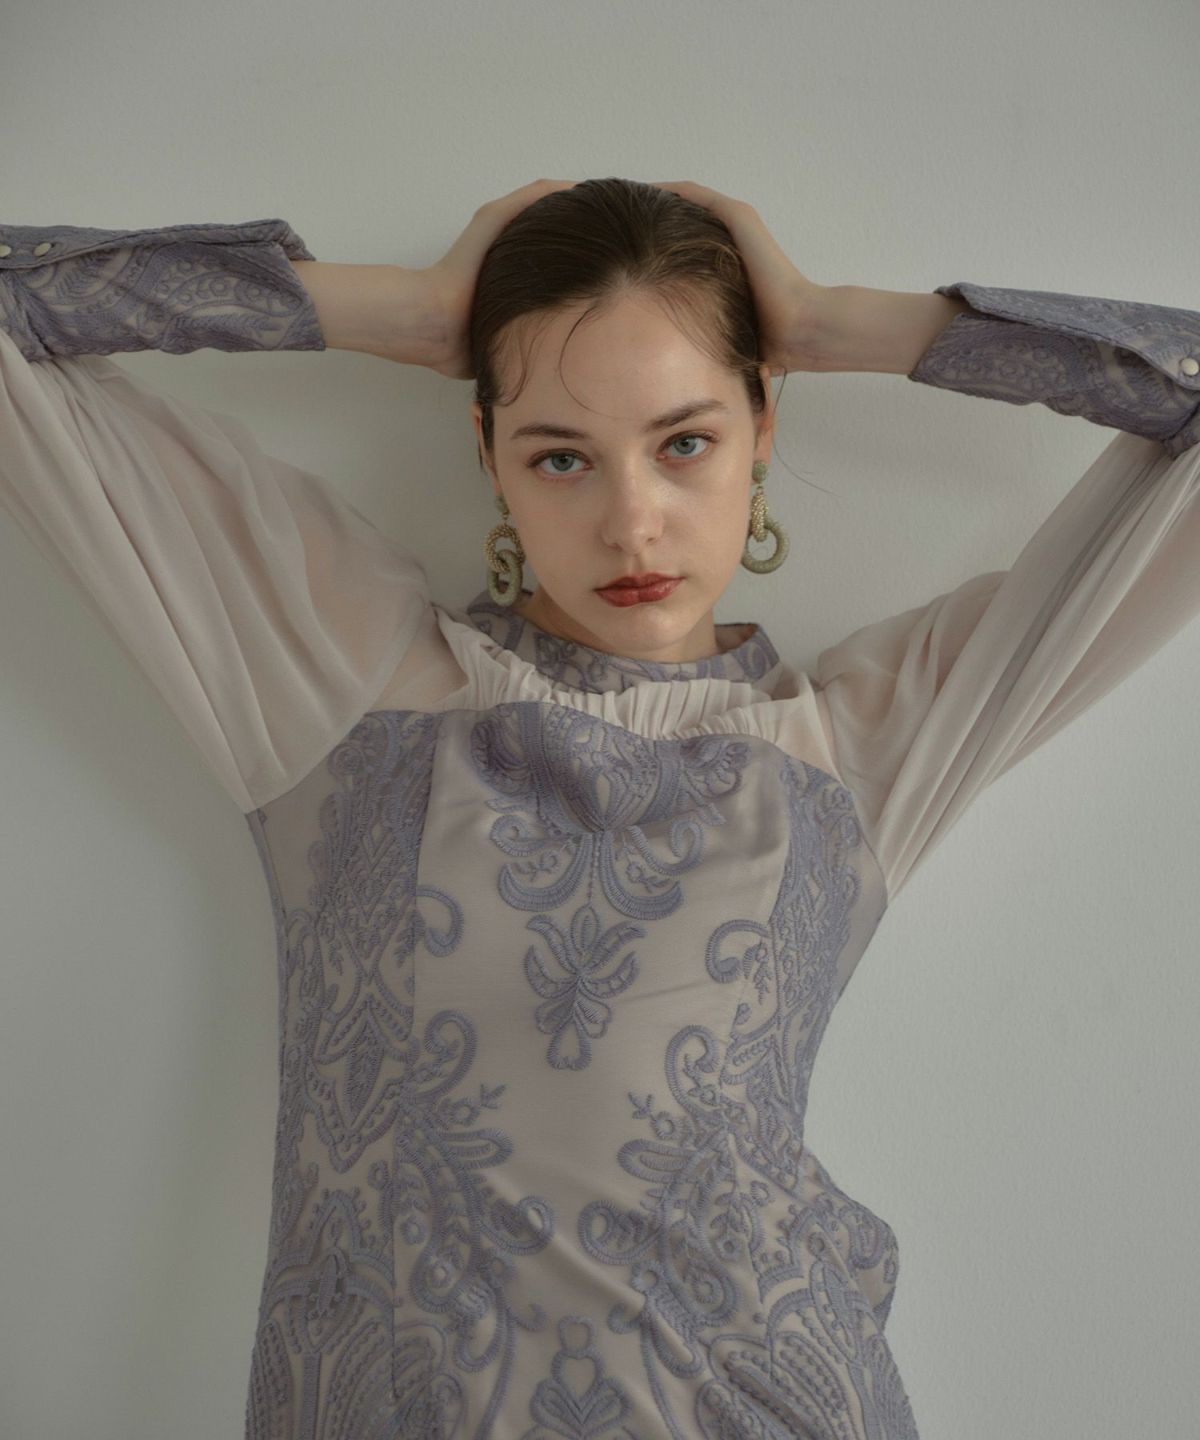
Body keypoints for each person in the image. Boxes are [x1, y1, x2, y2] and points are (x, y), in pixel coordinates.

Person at [1, 176, 1197, 1439]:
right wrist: (394, 313)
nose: (633, 524)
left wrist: (841, 325)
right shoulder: (350, 688)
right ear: (488, 455)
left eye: (686, 443)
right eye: (560, 456)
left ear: (763, 425)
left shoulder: (853, 754)